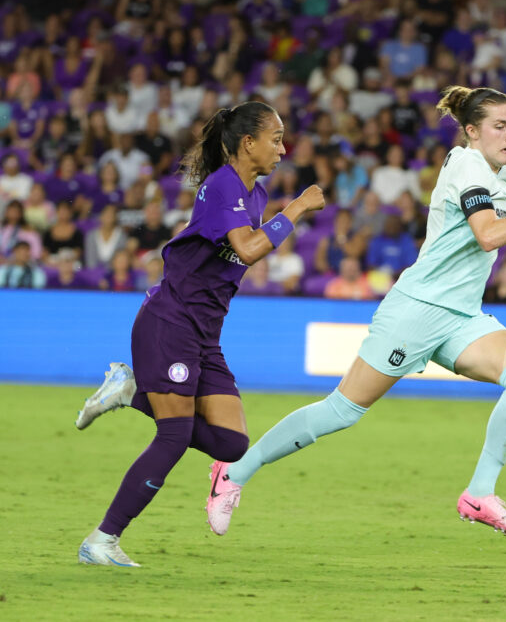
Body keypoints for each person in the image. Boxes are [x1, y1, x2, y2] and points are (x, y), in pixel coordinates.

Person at [203, 86, 506, 538]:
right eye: (499, 126)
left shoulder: (500, 172)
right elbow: (487, 235)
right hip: (417, 311)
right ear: (471, 131)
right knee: (341, 411)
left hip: (461, 315)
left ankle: (479, 494)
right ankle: (233, 473)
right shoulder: (468, 166)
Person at [75, 102, 326, 567]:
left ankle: (131, 392)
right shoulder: (223, 186)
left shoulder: (251, 194)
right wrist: (298, 207)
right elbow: (248, 250)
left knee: (231, 443)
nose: (283, 147)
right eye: (275, 138)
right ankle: (101, 541)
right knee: (173, 437)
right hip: (170, 322)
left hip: (204, 334)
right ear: (247, 143)